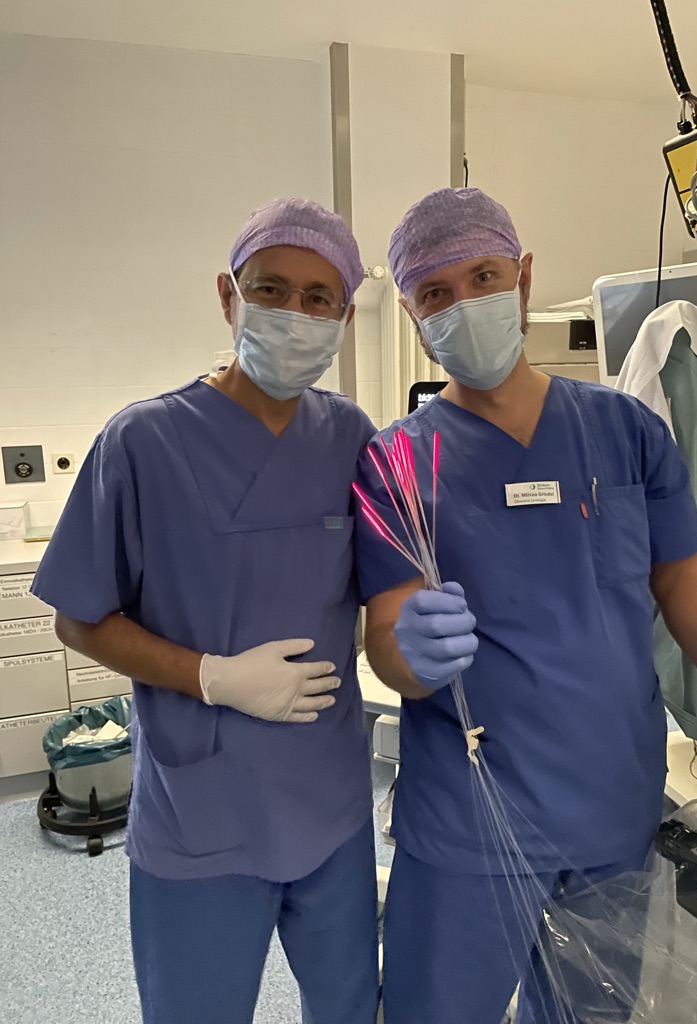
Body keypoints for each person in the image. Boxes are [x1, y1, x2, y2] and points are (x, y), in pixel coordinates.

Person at [354, 187, 697, 1024]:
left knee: (593, 1013)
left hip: (613, 803)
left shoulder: (625, 430)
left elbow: (681, 568)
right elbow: (386, 636)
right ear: (409, 311)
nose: (465, 304)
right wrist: (409, 652)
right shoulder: (396, 461)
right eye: (435, 292)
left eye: (483, 276)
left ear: (525, 277)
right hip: (473, 818)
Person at [32, 199, 380, 1024]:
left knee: (349, 1006)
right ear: (229, 296)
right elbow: (79, 617)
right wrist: (210, 677)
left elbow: (391, 584)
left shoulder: (354, 439)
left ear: (344, 314)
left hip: (329, 801)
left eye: (319, 297)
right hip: (203, 814)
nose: (295, 315)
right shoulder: (144, 443)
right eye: (272, 289)